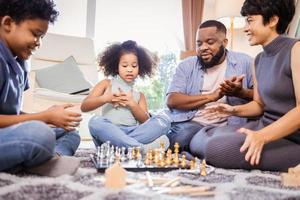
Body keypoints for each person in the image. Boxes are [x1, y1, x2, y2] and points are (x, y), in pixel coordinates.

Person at [191, 0, 300, 172]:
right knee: (201, 136)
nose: (245, 28)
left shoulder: (296, 50)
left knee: (214, 149)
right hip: (263, 127)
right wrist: (230, 110)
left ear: (272, 20)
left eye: (250, 20)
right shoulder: (258, 60)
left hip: (291, 139)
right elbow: (259, 105)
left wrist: (261, 137)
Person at [0, 0, 81, 176]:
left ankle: (52, 158)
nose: (38, 43)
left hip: (7, 135)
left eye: (42, 37)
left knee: (70, 133)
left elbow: (10, 114)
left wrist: (47, 118)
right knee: (39, 134)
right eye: (35, 34)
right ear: (8, 24)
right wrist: (42, 118)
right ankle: (37, 159)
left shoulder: (19, 62)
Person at [166, 20, 254, 151]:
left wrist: (240, 92)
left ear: (224, 43)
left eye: (210, 42)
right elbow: (172, 100)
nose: (203, 48)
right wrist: (212, 97)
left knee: (231, 144)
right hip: (194, 123)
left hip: (230, 125)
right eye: (199, 43)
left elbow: (261, 98)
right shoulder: (186, 65)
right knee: (180, 139)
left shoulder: (245, 62)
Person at [81, 40, 170, 151]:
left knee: (164, 121)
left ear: (140, 68)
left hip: (133, 131)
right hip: (108, 132)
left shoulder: (139, 95)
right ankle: (140, 149)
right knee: (94, 122)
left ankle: (117, 147)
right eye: (124, 65)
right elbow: (84, 106)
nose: (129, 69)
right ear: (116, 66)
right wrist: (105, 98)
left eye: (134, 66)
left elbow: (145, 121)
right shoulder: (106, 84)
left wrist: (132, 104)